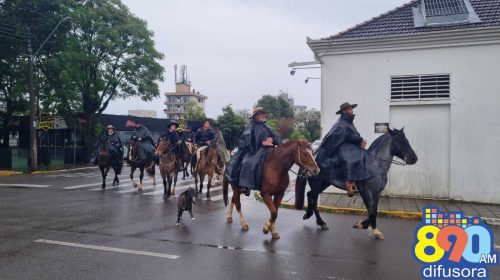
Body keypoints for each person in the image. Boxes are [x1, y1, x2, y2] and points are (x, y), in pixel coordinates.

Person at [315, 102, 373, 197]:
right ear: (344, 111)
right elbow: (347, 135)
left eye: (351, 108)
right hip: (341, 146)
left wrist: (361, 141)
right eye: (349, 109)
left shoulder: (348, 121)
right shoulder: (341, 123)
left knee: (362, 154)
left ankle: (357, 180)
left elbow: (354, 134)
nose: (352, 110)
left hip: (348, 145)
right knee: (351, 157)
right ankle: (348, 183)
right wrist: (360, 139)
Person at [225, 107, 282, 196]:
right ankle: (246, 185)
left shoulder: (266, 125)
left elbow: (275, 136)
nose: (263, 115)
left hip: (269, 149)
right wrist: (262, 142)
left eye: (263, 113)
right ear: (256, 115)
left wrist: (276, 142)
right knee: (248, 162)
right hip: (254, 149)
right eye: (260, 113)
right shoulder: (251, 126)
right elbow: (246, 140)